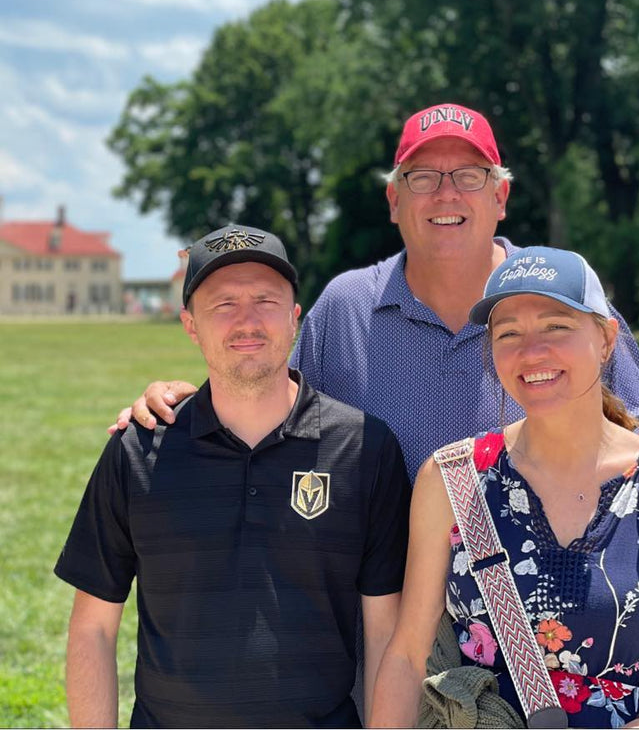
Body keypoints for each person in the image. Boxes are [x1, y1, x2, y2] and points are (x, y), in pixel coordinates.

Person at [111, 103, 639, 482]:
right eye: (423, 177)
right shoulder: (346, 309)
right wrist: (180, 405)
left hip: (538, 623)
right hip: (381, 623)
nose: (446, 194)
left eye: (469, 176)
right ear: (395, 201)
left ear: (500, 197)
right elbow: (262, 412)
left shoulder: (563, 299)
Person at [369, 245, 639, 729]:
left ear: (606, 338)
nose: (532, 352)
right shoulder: (451, 479)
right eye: (508, 333)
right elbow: (406, 659)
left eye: (556, 326)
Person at [55, 225, 410, 728]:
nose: (247, 321)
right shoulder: (137, 450)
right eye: (223, 304)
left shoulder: (364, 448)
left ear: (294, 318)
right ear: (190, 325)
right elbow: (92, 627)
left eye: (265, 300)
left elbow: (385, 634)